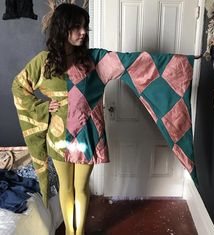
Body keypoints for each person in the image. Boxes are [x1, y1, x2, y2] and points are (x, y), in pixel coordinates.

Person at [12, 2, 197, 235]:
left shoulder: (96, 59)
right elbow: (19, 87)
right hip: (58, 135)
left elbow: (135, 62)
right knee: (66, 188)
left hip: (87, 134)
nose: (83, 32)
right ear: (62, 28)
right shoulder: (43, 61)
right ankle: (70, 231)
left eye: (85, 27)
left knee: (81, 188)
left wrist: (185, 61)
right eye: (77, 27)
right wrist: (42, 107)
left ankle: (78, 233)